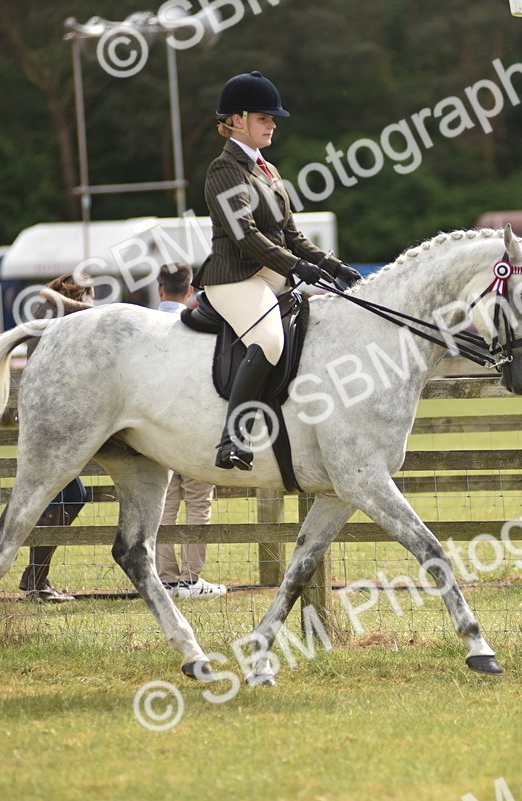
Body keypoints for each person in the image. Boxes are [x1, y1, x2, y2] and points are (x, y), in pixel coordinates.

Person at [200, 70, 363, 471]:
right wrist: (298, 267)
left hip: (271, 275)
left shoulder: (268, 171)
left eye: (273, 118)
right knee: (270, 339)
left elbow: (292, 234)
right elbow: (247, 237)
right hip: (235, 277)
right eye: (263, 117)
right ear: (236, 120)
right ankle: (233, 440)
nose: (273, 124)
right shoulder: (225, 170)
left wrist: (334, 265)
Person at [16, 273, 94, 602]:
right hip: (50, 421)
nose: (92, 302)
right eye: (90, 294)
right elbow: (70, 304)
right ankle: (36, 580)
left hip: (49, 419)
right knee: (68, 496)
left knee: (66, 497)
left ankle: (36, 578)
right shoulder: (53, 311)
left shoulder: (53, 312)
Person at [154, 264, 227, 599]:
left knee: (166, 504)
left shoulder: (147, 328)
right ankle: (190, 579)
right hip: (196, 427)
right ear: (189, 291)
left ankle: (166, 578)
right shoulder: (199, 326)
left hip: (157, 429)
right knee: (199, 503)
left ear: (159, 289)